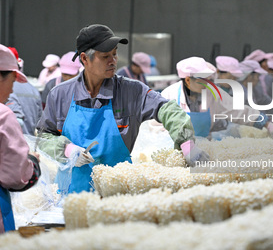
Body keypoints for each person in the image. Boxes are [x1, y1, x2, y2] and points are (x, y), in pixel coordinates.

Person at [37, 24, 208, 194]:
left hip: (118, 195)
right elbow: (43, 137)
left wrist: (186, 143)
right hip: (70, 196)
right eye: (105, 56)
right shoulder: (60, 95)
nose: (113, 61)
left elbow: (167, 109)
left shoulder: (131, 91)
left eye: (115, 53)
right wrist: (67, 150)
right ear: (84, 59)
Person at [159, 56, 273, 140]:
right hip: (176, 151)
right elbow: (158, 128)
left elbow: (237, 110)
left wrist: (266, 123)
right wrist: (184, 146)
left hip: (205, 147)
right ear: (187, 80)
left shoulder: (212, 93)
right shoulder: (169, 96)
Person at [0, 44, 41, 234]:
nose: (11, 90)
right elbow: (17, 177)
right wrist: (32, 162)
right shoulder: (3, 115)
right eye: (12, 81)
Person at [6, 47, 43, 135]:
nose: (11, 91)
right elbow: (40, 121)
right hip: (28, 141)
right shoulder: (33, 90)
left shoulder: (7, 89)